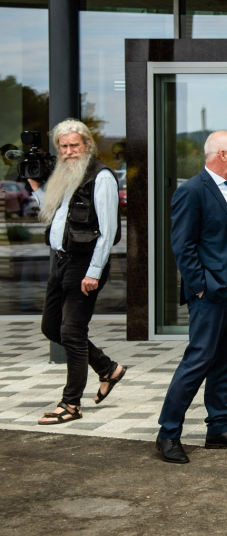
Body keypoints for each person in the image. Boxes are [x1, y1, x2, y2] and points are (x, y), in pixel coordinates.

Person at [155, 130, 227, 463]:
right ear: (222, 155)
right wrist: (201, 286)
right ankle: (168, 433)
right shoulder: (191, 192)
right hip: (211, 292)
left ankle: (219, 428)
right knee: (198, 361)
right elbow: (182, 246)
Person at [29, 119, 126, 426]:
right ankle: (107, 368)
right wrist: (35, 188)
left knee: (72, 332)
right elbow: (54, 214)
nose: (69, 151)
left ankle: (71, 403)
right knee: (51, 326)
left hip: (85, 265)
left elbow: (107, 231)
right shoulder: (64, 175)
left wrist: (94, 272)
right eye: (64, 146)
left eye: (74, 145)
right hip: (61, 262)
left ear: (87, 145)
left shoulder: (102, 177)